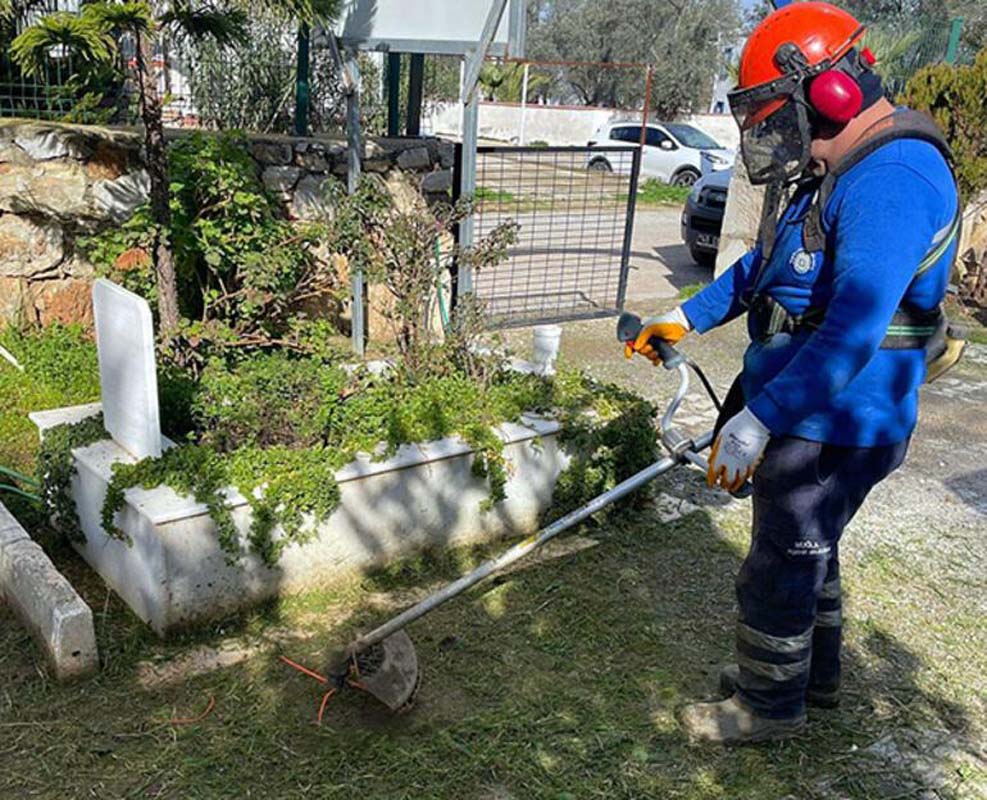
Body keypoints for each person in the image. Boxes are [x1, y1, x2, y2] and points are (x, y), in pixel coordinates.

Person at [625, 1, 960, 744]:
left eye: (776, 114)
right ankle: (809, 677)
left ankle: (766, 708)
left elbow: (852, 328)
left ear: (829, 93)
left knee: (781, 561)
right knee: (810, 550)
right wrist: (684, 317)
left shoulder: (893, 177)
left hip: (833, 419)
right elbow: (764, 264)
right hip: (807, 411)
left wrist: (760, 418)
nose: (769, 133)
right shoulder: (839, 168)